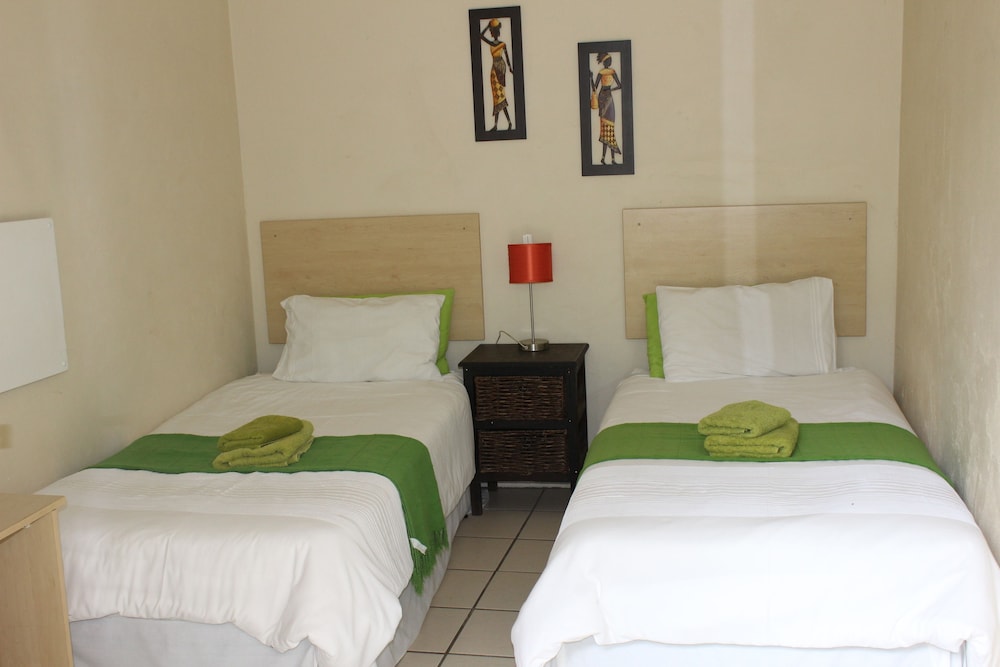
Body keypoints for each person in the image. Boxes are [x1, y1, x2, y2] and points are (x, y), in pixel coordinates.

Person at [481, 18, 514, 131]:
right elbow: (480, 36)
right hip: (495, 70)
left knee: (500, 96)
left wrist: (510, 68)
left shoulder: (501, 44)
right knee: (497, 97)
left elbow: (507, 57)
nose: (492, 33)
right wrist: (488, 25)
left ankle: (505, 123)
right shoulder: (494, 44)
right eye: (491, 31)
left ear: (495, 33)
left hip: (499, 69)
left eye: (492, 31)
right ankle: (499, 124)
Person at [592, 52, 623, 164]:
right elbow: (595, 88)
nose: (610, 62)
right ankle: (603, 158)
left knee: (610, 127)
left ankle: (612, 159)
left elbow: (620, 85)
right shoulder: (601, 72)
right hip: (602, 98)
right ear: (605, 62)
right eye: (608, 60)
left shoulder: (612, 71)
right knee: (605, 128)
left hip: (609, 97)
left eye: (610, 60)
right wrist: (591, 78)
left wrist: (611, 89)